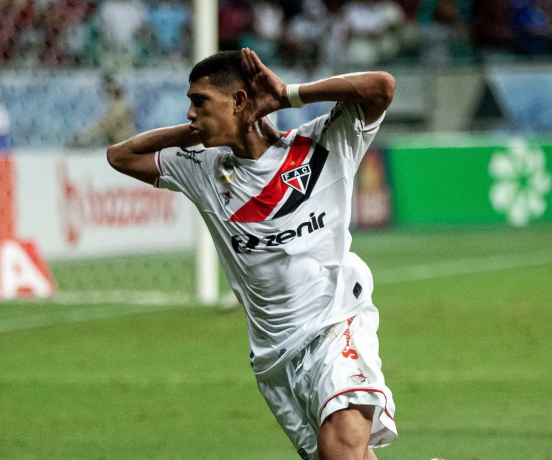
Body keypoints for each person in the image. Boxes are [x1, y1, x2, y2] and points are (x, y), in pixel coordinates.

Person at [107, 49, 397, 459]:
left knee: (342, 451)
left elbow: (381, 86)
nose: (190, 113)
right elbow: (120, 155)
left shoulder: (322, 142)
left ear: (241, 101)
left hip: (336, 325)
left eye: (200, 102)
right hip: (274, 359)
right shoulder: (204, 169)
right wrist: (201, 131)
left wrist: (289, 94)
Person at [70, 74, 134, 147]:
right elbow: (104, 122)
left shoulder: (122, 105)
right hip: (112, 138)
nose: (107, 92)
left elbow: (110, 124)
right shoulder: (113, 105)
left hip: (120, 140)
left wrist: (90, 133)